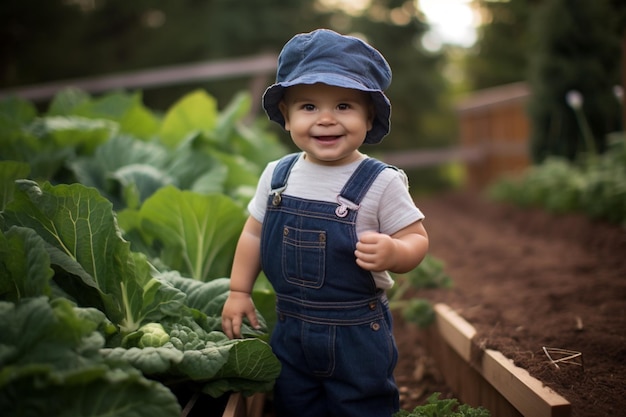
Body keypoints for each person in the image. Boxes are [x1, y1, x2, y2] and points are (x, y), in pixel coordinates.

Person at [221, 28, 429, 417]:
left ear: (370, 115)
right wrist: (238, 290)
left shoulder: (380, 181)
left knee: (361, 404)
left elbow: (416, 238)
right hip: (290, 326)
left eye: (345, 106)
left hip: (356, 331)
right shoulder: (276, 175)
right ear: (286, 116)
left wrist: (394, 251)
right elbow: (253, 232)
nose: (327, 119)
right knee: (295, 402)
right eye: (309, 107)